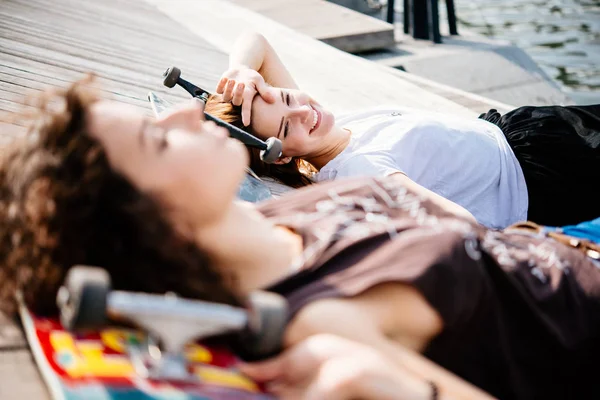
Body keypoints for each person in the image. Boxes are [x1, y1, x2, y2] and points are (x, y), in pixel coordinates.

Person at [2, 79, 600, 399]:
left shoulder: (296, 205)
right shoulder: (324, 319)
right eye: (157, 140)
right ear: (158, 224)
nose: (187, 116)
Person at [207, 31, 600, 229]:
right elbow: (457, 222)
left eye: (288, 97)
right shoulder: (361, 170)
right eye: (287, 125)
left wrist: (240, 72)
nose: (303, 112)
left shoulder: (329, 128)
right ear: (283, 154)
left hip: (523, 131)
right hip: (541, 177)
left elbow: (255, 41)